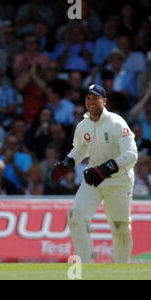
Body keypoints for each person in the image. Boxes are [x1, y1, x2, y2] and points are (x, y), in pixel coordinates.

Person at [51, 84, 138, 263]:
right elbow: (80, 149)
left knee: (120, 227)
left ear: (104, 101)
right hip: (94, 178)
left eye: (95, 98)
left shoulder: (116, 122)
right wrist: (68, 162)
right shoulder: (83, 125)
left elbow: (131, 155)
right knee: (76, 217)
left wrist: (105, 169)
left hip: (119, 180)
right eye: (88, 98)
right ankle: (88, 267)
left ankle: (121, 272)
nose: (91, 101)